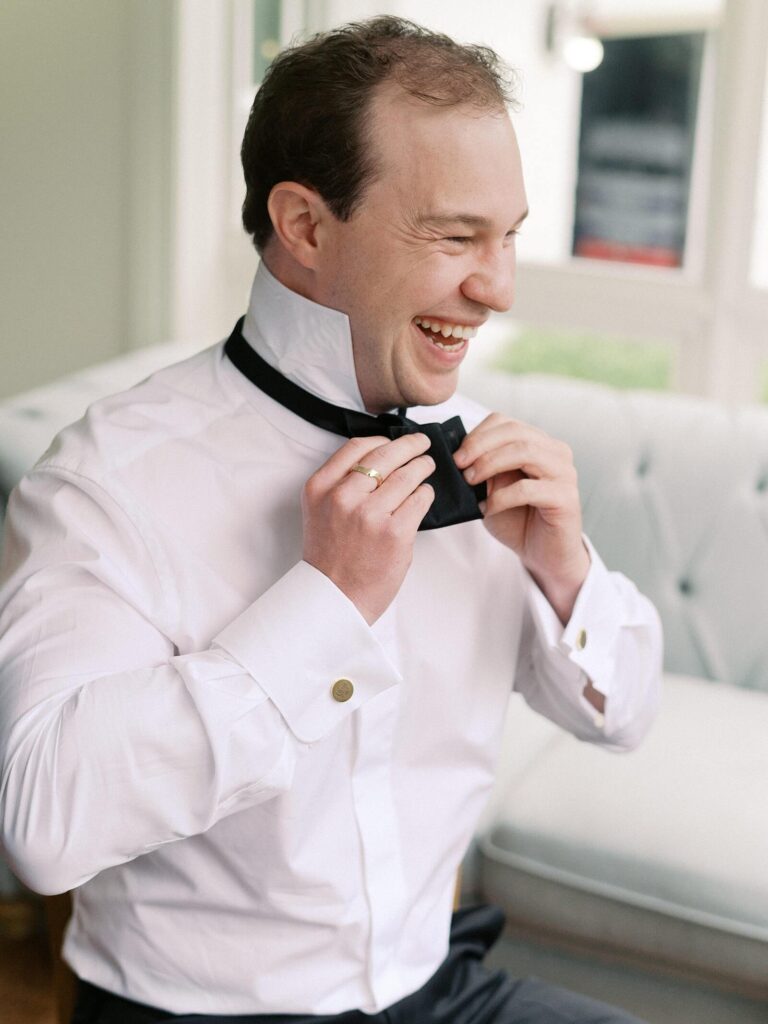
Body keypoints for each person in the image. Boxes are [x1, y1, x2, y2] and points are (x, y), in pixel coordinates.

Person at [0, 16, 661, 1024]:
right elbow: (43, 823)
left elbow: (620, 717)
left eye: (509, 236)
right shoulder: (108, 479)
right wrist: (323, 603)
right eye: (454, 236)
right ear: (307, 227)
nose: (498, 287)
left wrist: (567, 573)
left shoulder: (486, 452)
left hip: (433, 991)